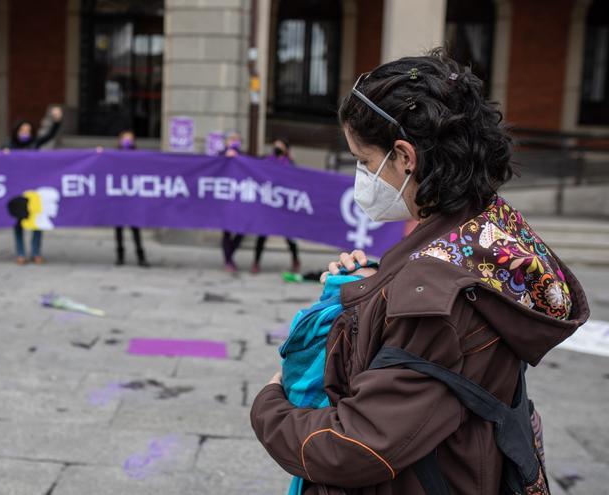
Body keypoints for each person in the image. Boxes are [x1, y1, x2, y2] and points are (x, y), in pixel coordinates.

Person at [251, 49, 589, 494]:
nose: (363, 175)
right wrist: (375, 283)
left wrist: (270, 405)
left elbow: (358, 446)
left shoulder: (432, 295)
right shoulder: (491, 227)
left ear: (405, 157)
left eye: (365, 161)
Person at [5, 106, 63, 265]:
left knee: (38, 219)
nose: (25, 132)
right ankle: (21, 253)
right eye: (22, 130)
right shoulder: (9, 146)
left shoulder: (35, 143)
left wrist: (56, 121)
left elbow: (50, 135)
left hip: (34, 188)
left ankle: (36, 252)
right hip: (17, 188)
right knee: (19, 220)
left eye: (28, 130)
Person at [251, 138, 301, 275]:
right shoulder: (266, 160)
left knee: (289, 237)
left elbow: (295, 181)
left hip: (283, 207)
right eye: (275, 145)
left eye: (280, 145)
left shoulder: (289, 164)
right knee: (262, 236)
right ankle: (256, 262)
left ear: (286, 149)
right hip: (269, 206)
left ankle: (296, 260)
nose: (277, 147)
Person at [113, 130, 149, 267]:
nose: (127, 141)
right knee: (119, 230)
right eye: (125, 139)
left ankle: (141, 256)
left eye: (130, 139)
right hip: (118, 199)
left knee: (135, 229)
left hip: (132, 200)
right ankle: (120, 255)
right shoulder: (114, 155)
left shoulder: (138, 156)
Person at [221, 131, 245, 272]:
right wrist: (225, 157)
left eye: (237, 139)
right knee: (227, 231)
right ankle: (228, 260)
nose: (234, 141)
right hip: (225, 201)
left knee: (241, 231)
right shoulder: (221, 155)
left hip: (240, 200)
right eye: (231, 138)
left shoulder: (243, 156)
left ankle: (229, 256)